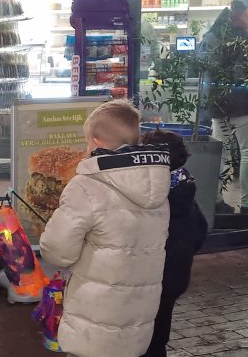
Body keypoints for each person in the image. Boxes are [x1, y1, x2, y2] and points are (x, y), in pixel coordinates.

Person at [39, 100, 171, 357]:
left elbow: (58, 251)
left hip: (93, 321)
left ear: (96, 143)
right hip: (137, 321)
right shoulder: (157, 189)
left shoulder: (85, 186)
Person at [199, 0, 248, 215]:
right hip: (241, 106)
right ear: (245, 12)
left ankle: (217, 201)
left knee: (221, 153)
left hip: (217, 105)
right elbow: (242, 77)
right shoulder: (247, 40)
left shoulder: (211, 35)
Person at [138, 129, 208, 357]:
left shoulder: (155, 199)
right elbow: (200, 231)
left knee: (145, 335)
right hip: (175, 277)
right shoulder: (184, 187)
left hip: (155, 277)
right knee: (159, 333)